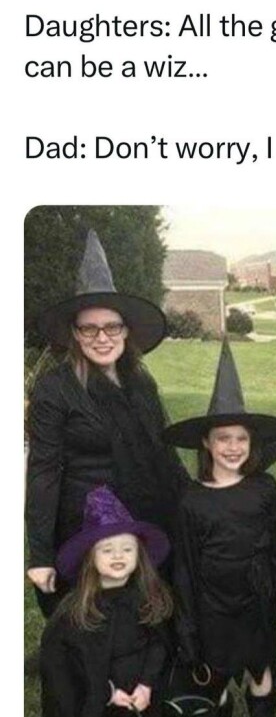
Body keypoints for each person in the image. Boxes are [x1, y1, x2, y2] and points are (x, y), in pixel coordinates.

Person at [25, 230, 190, 618]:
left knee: (147, 616)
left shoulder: (140, 382)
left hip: (146, 512)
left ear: (125, 330)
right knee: (97, 622)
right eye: (89, 328)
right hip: (88, 524)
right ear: (75, 334)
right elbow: (44, 472)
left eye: (112, 327)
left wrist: (194, 504)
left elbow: (164, 452)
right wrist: (41, 555)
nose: (102, 337)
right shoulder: (56, 389)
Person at [165, 341, 276, 717]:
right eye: (223, 438)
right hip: (213, 608)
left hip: (256, 600)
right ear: (206, 442)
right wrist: (187, 625)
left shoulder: (264, 488)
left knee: (261, 671)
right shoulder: (191, 500)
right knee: (215, 678)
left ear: (252, 441)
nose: (233, 447)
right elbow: (185, 567)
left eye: (241, 438)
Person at [40, 485, 173, 716]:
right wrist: (107, 693)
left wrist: (146, 685)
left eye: (127, 549)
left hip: (142, 699)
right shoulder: (75, 612)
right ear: (90, 558)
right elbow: (64, 668)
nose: (118, 555)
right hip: (98, 703)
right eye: (107, 550)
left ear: (139, 555)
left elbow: (158, 644)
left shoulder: (148, 596)